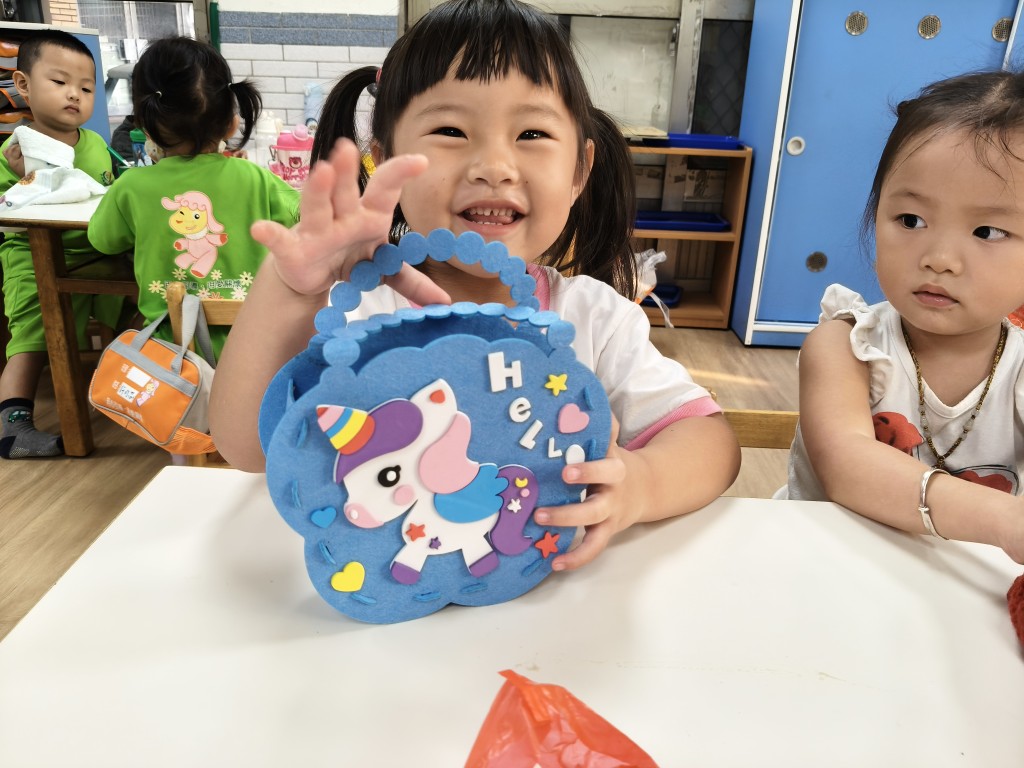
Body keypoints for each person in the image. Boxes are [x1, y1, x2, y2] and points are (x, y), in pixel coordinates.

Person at [209, 0, 740, 571]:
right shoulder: (358, 307)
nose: (493, 165)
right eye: (450, 130)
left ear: (579, 171)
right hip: (388, 587)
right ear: (383, 161)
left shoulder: (594, 319)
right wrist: (291, 292)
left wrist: (643, 482)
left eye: (532, 132)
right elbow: (247, 448)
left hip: (552, 597)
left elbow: (711, 442)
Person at [787, 70, 1024, 564]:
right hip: (824, 565)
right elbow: (848, 466)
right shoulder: (845, 347)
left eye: (987, 231)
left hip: (962, 585)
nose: (940, 259)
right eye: (911, 220)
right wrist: (1003, 519)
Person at [88, 37, 300, 358]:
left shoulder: (131, 186)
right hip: (256, 349)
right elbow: (305, 217)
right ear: (231, 124)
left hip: (172, 354)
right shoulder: (255, 177)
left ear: (145, 126)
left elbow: (102, 240)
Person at [0, 30, 121, 459]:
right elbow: (8, 212)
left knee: (139, 299)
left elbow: (110, 193)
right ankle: (13, 424)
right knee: (33, 338)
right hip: (33, 257)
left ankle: (122, 390)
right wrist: (24, 182)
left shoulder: (97, 144)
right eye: (59, 82)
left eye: (86, 88)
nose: (74, 94)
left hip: (96, 252)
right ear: (23, 84)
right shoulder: (15, 151)